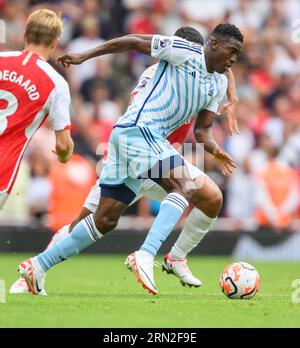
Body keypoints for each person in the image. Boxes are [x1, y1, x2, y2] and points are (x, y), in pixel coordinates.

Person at [11, 27, 239, 295]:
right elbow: (135, 42)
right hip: (140, 139)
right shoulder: (162, 69)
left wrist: (217, 144)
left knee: (105, 220)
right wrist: (85, 56)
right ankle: (145, 254)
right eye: (231, 52)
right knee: (183, 187)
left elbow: (203, 127)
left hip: (155, 154)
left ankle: (37, 266)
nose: (234, 60)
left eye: (237, 54)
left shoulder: (214, 79)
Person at [0, 9, 74, 217]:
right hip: (2, 167)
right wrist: (65, 155)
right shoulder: (56, 83)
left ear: (25, 34)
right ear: (54, 43)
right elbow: (62, 145)